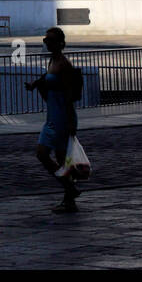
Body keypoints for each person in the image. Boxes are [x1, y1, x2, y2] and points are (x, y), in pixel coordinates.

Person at [26, 26, 84, 212]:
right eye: (46, 39)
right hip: (52, 115)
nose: (47, 42)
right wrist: (35, 84)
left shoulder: (64, 65)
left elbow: (68, 95)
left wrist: (70, 122)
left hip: (61, 117)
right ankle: (70, 190)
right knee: (45, 155)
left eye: (50, 39)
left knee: (59, 158)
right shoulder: (53, 60)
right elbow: (47, 77)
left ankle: (70, 196)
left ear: (60, 43)